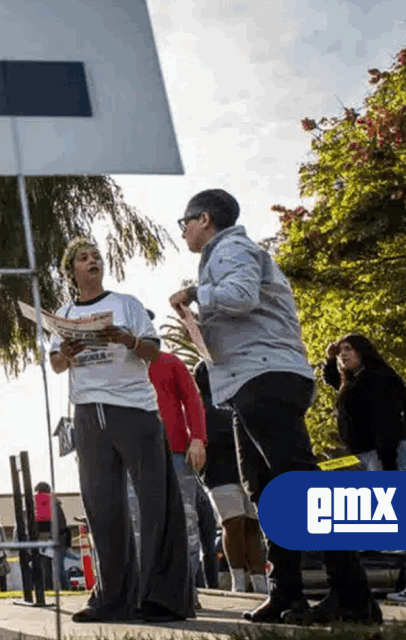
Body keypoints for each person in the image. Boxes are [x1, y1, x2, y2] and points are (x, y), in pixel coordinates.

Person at [169, 189, 379, 625]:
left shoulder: (232, 249)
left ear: (204, 219)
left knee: (297, 482)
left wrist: (194, 293)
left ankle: (353, 595)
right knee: (265, 490)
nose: (184, 230)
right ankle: (287, 593)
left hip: (266, 377)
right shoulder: (222, 256)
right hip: (249, 381)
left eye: (184, 221)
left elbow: (242, 295)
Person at [50, 238, 193, 624]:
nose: (92, 260)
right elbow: (56, 365)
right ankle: (113, 599)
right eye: (83, 257)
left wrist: (127, 339)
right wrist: (69, 352)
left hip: (134, 410)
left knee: (154, 501)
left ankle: (164, 600)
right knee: (102, 505)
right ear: (72, 271)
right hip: (87, 413)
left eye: (96, 257)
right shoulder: (63, 313)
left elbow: (152, 351)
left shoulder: (126, 303)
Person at [324, 334, 406, 603]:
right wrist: (329, 359)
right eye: (341, 350)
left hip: (391, 452)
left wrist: (388, 464)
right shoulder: (356, 380)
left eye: (349, 350)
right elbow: (335, 382)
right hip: (376, 455)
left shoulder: (378, 377)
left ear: (364, 352)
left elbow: (386, 421)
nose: (344, 355)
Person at [193, 361, 268, 594]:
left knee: (253, 526)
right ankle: (238, 582)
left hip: (246, 469)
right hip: (218, 472)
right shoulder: (200, 406)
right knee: (233, 523)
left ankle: (260, 582)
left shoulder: (234, 399)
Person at [147, 345, 207, 607]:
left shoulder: (170, 362)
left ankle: (187, 590)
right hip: (137, 456)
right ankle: (148, 592)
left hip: (176, 452)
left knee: (186, 521)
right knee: (141, 524)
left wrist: (198, 438)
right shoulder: (120, 369)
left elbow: (192, 398)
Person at [33, 482, 72, 591]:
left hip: (48, 539)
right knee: (59, 569)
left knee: (47, 568)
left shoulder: (42, 505)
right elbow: (62, 523)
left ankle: (49, 590)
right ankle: (65, 589)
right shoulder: (56, 504)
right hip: (59, 540)